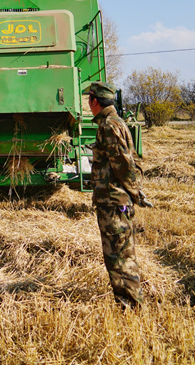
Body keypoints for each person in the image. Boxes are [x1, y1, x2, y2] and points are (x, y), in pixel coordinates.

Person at [86, 81, 151, 309]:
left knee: (119, 258)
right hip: (114, 200)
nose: (88, 104)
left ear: (95, 101)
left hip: (114, 202)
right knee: (119, 255)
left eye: (88, 100)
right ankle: (130, 304)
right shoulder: (115, 122)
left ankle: (132, 307)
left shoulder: (108, 126)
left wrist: (134, 193)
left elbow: (123, 165)